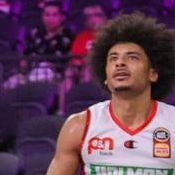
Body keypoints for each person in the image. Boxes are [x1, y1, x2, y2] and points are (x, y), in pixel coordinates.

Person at [47, 13, 175, 175]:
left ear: (153, 73)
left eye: (132, 58)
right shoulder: (80, 126)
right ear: (106, 77)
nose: (120, 63)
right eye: (113, 59)